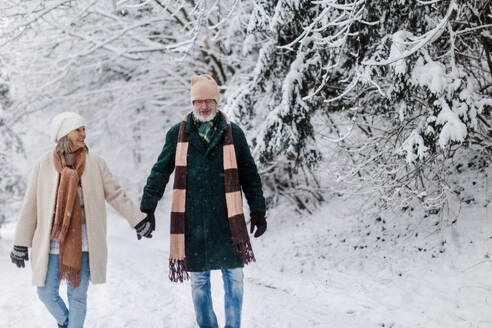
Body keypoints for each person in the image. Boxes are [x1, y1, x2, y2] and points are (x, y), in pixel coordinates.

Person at [140, 74, 267, 328]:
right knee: (199, 283)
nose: (204, 106)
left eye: (209, 100)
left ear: (216, 101)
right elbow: (160, 171)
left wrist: (258, 210)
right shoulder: (178, 134)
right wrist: (147, 208)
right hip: (193, 222)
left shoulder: (234, 133)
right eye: (198, 101)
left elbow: (249, 174)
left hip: (227, 222)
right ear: (192, 103)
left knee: (235, 279)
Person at [9, 112, 154, 328]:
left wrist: (137, 220)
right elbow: (31, 205)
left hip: (85, 239)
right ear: (64, 133)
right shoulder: (43, 164)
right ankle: (67, 323)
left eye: (84, 129)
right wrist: (21, 243)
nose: (84, 134)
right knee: (45, 292)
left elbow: (115, 194)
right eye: (78, 129)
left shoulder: (95, 163)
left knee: (77, 295)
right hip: (52, 240)